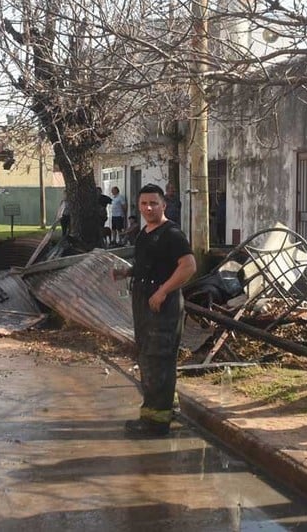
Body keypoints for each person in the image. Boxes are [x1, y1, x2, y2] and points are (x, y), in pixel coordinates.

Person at [113, 184, 196, 438]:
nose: (148, 208)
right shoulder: (145, 233)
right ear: (138, 206)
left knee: (158, 359)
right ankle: (164, 410)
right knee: (148, 357)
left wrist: (163, 291)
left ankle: (155, 424)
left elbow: (188, 266)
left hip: (163, 306)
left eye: (153, 203)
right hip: (144, 304)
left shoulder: (172, 234)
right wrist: (127, 272)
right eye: (144, 204)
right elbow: (148, 264)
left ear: (163, 205)